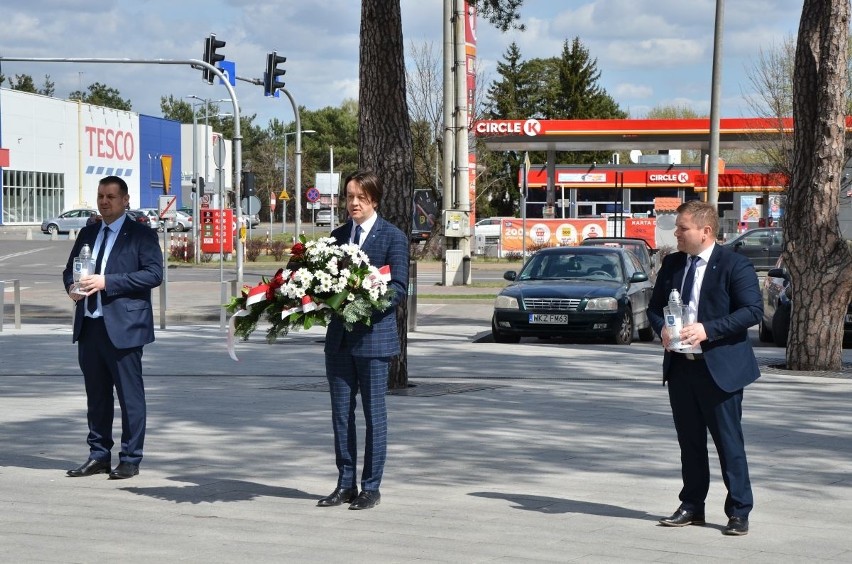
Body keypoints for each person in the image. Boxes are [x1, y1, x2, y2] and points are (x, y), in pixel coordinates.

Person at [647, 200, 762, 536]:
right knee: (690, 442)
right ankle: (692, 505)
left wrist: (707, 329)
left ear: (705, 231)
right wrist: (663, 329)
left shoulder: (734, 265)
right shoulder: (672, 264)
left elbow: (752, 311)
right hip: (682, 367)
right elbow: (655, 308)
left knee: (729, 442)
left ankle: (739, 510)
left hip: (720, 369)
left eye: (683, 228)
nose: (677, 234)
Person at [317, 170, 409, 510]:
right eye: (350, 196)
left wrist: (362, 308)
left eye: (361, 197)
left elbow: (398, 287)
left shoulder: (392, 237)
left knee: (374, 415)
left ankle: (371, 486)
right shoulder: (337, 236)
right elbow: (323, 282)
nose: (354, 203)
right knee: (341, 414)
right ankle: (345, 484)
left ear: (375, 199)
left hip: (374, 340)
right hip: (339, 341)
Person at [62, 175, 163, 480]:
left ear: (125, 200)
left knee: (129, 396)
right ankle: (98, 455)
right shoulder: (88, 232)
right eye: (101, 196)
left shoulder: (141, 234)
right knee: (97, 396)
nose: (104, 202)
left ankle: (130, 458)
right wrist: (71, 289)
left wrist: (108, 282)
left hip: (124, 327)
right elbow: (70, 270)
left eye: (111, 197)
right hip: (90, 325)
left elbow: (153, 274)